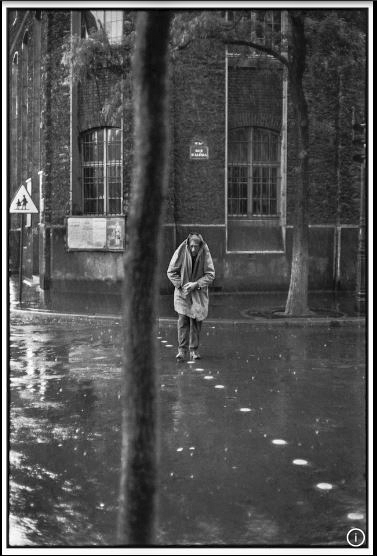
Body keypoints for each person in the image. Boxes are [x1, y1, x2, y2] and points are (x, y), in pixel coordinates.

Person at [167, 233, 215, 361]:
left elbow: (210, 274)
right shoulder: (181, 250)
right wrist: (181, 285)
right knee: (183, 320)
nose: (193, 249)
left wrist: (197, 284)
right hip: (183, 293)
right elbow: (171, 271)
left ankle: (194, 350)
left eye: (196, 247)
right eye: (192, 246)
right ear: (188, 245)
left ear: (200, 246)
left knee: (196, 321)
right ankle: (182, 350)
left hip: (198, 293)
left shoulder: (205, 252)